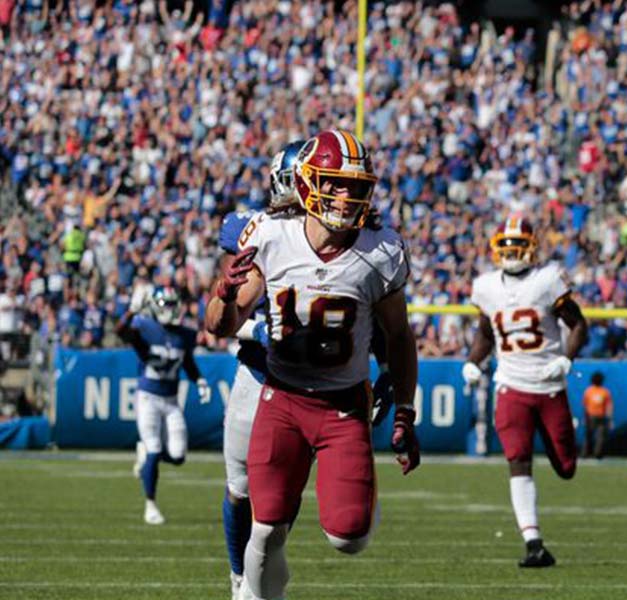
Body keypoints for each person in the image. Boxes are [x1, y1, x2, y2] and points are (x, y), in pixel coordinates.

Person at [202, 130, 420, 600]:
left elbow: (399, 335)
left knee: (349, 537)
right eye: (334, 183)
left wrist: (405, 408)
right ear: (304, 182)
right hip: (279, 396)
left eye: (354, 185)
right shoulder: (269, 234)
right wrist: (222, 293)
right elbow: (219, 325)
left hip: (342, 404)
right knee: (265, 526)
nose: (345, 196)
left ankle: (360, 498)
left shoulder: (381, 250)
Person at [463, 215, 589, 568]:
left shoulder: (547, 280)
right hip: (511, 385)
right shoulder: (486, 286)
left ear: (532, 247)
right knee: (518, 461)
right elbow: (487, 333)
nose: (512, 251)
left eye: (517, 245)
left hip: (550, 386)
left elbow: (578, 325)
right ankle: (534, 543)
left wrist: (566, 359)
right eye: (505, 245)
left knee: (565, 467)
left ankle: (555, 447)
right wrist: (474, 361)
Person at [213, 140, 305, 599]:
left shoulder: (336, 238)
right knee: (240, 488)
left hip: (306, 381)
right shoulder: (254, 228)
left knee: (285, 495)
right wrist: (260, 331)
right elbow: (222, 315)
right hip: (257, 375)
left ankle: (263, 573)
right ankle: (238, 576)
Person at [117, 286, 207, 526]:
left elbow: (187, 361)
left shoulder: (184, 334)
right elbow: (121, 332)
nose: (169, 309)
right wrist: (129, 312)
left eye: (172, 304)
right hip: (148, 397)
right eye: (164, 304)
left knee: (178, 456)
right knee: (155, 449)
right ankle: (150, 505)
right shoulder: (145, 326)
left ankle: (145, 456)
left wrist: (199, 380)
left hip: (171, 400)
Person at [585, 372, 612, 460]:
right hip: (593, 416)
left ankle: (595, 453)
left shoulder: (599, 391)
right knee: (592, 436)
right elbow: (586, 405)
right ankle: (589, 453)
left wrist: (609, 418)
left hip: (599, 416)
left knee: (599, 437)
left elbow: (608, 406)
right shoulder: (592, 391)